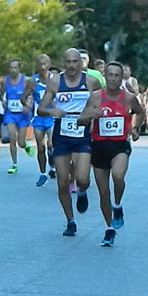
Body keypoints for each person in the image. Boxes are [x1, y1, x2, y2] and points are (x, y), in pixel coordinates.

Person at [79, 61, 145, 246]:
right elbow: (80, 120)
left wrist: (135, 128)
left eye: (117, 75)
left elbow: (140, 112)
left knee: (117, 176)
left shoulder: (129, 98)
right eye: (110, 75)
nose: (113, 79)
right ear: (105, 76)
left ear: (122, 77)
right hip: (99, 146)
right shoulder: (95, 97)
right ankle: (109, 229)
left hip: (119, 145)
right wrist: (92, 116)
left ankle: (118, 205)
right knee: (103, 192)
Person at [38, 48, 101, 237]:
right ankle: (70, 221)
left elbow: (101, 105)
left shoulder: (91, 81)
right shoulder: (55, 82)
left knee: (82, 178)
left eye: (76, 62)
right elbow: (41, 108)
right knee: (62, 181)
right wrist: (51, 112)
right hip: (62, 134)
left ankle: (82, 192)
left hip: (82, 133)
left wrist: (92, 116)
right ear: (64, 63)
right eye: (69, 62)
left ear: (81, 63)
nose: (72, 65)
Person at [24, 54, 56, 186]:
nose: (42, 67)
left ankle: (53, 166)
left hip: (52, 117)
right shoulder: (32, 81)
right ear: (36, 65)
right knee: (40, 147)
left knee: (51, 144)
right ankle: (42, 174)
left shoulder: (56, 79)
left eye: (45, 64)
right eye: (40, 64)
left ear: (49, 64)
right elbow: (23, 96)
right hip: (38, 118)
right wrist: (27, 104)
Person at [1, 58, 34, 174]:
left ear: (19, 68)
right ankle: (14, 164)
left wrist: (28, 106)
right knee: (12, 137)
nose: (13, 70)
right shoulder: (5, 81)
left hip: (22, 114)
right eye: (11, 67)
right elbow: (2, 95)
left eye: (15, 67)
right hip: (10, 113)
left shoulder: (26, 81)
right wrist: (3, 102)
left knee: (21, 142)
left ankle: (25, 145)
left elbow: (31, 96)